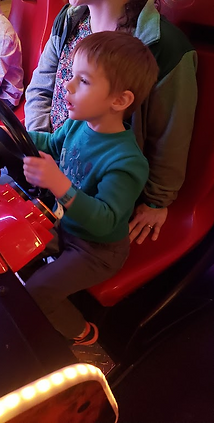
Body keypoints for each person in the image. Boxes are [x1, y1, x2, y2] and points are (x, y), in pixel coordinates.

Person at [24, 0, 198, 245]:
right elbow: (40, 90)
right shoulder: (69, 19)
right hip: (53, 167)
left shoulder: (164, 47)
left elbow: (171, 138)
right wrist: (43, 149)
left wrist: (157, 201)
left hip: (96, 195)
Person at [22, 31, 159, 345]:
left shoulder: (127, 162)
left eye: (83, 81)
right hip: (66, 225)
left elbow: (106, 219)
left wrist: (59, 184)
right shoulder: (77, 123)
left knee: (38, 293)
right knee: (15, 240)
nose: (67, 86)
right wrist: (15, 134)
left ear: (119, 100)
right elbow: (53, 145)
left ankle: (83, 334)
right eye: (72, 75)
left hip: (97, 250)